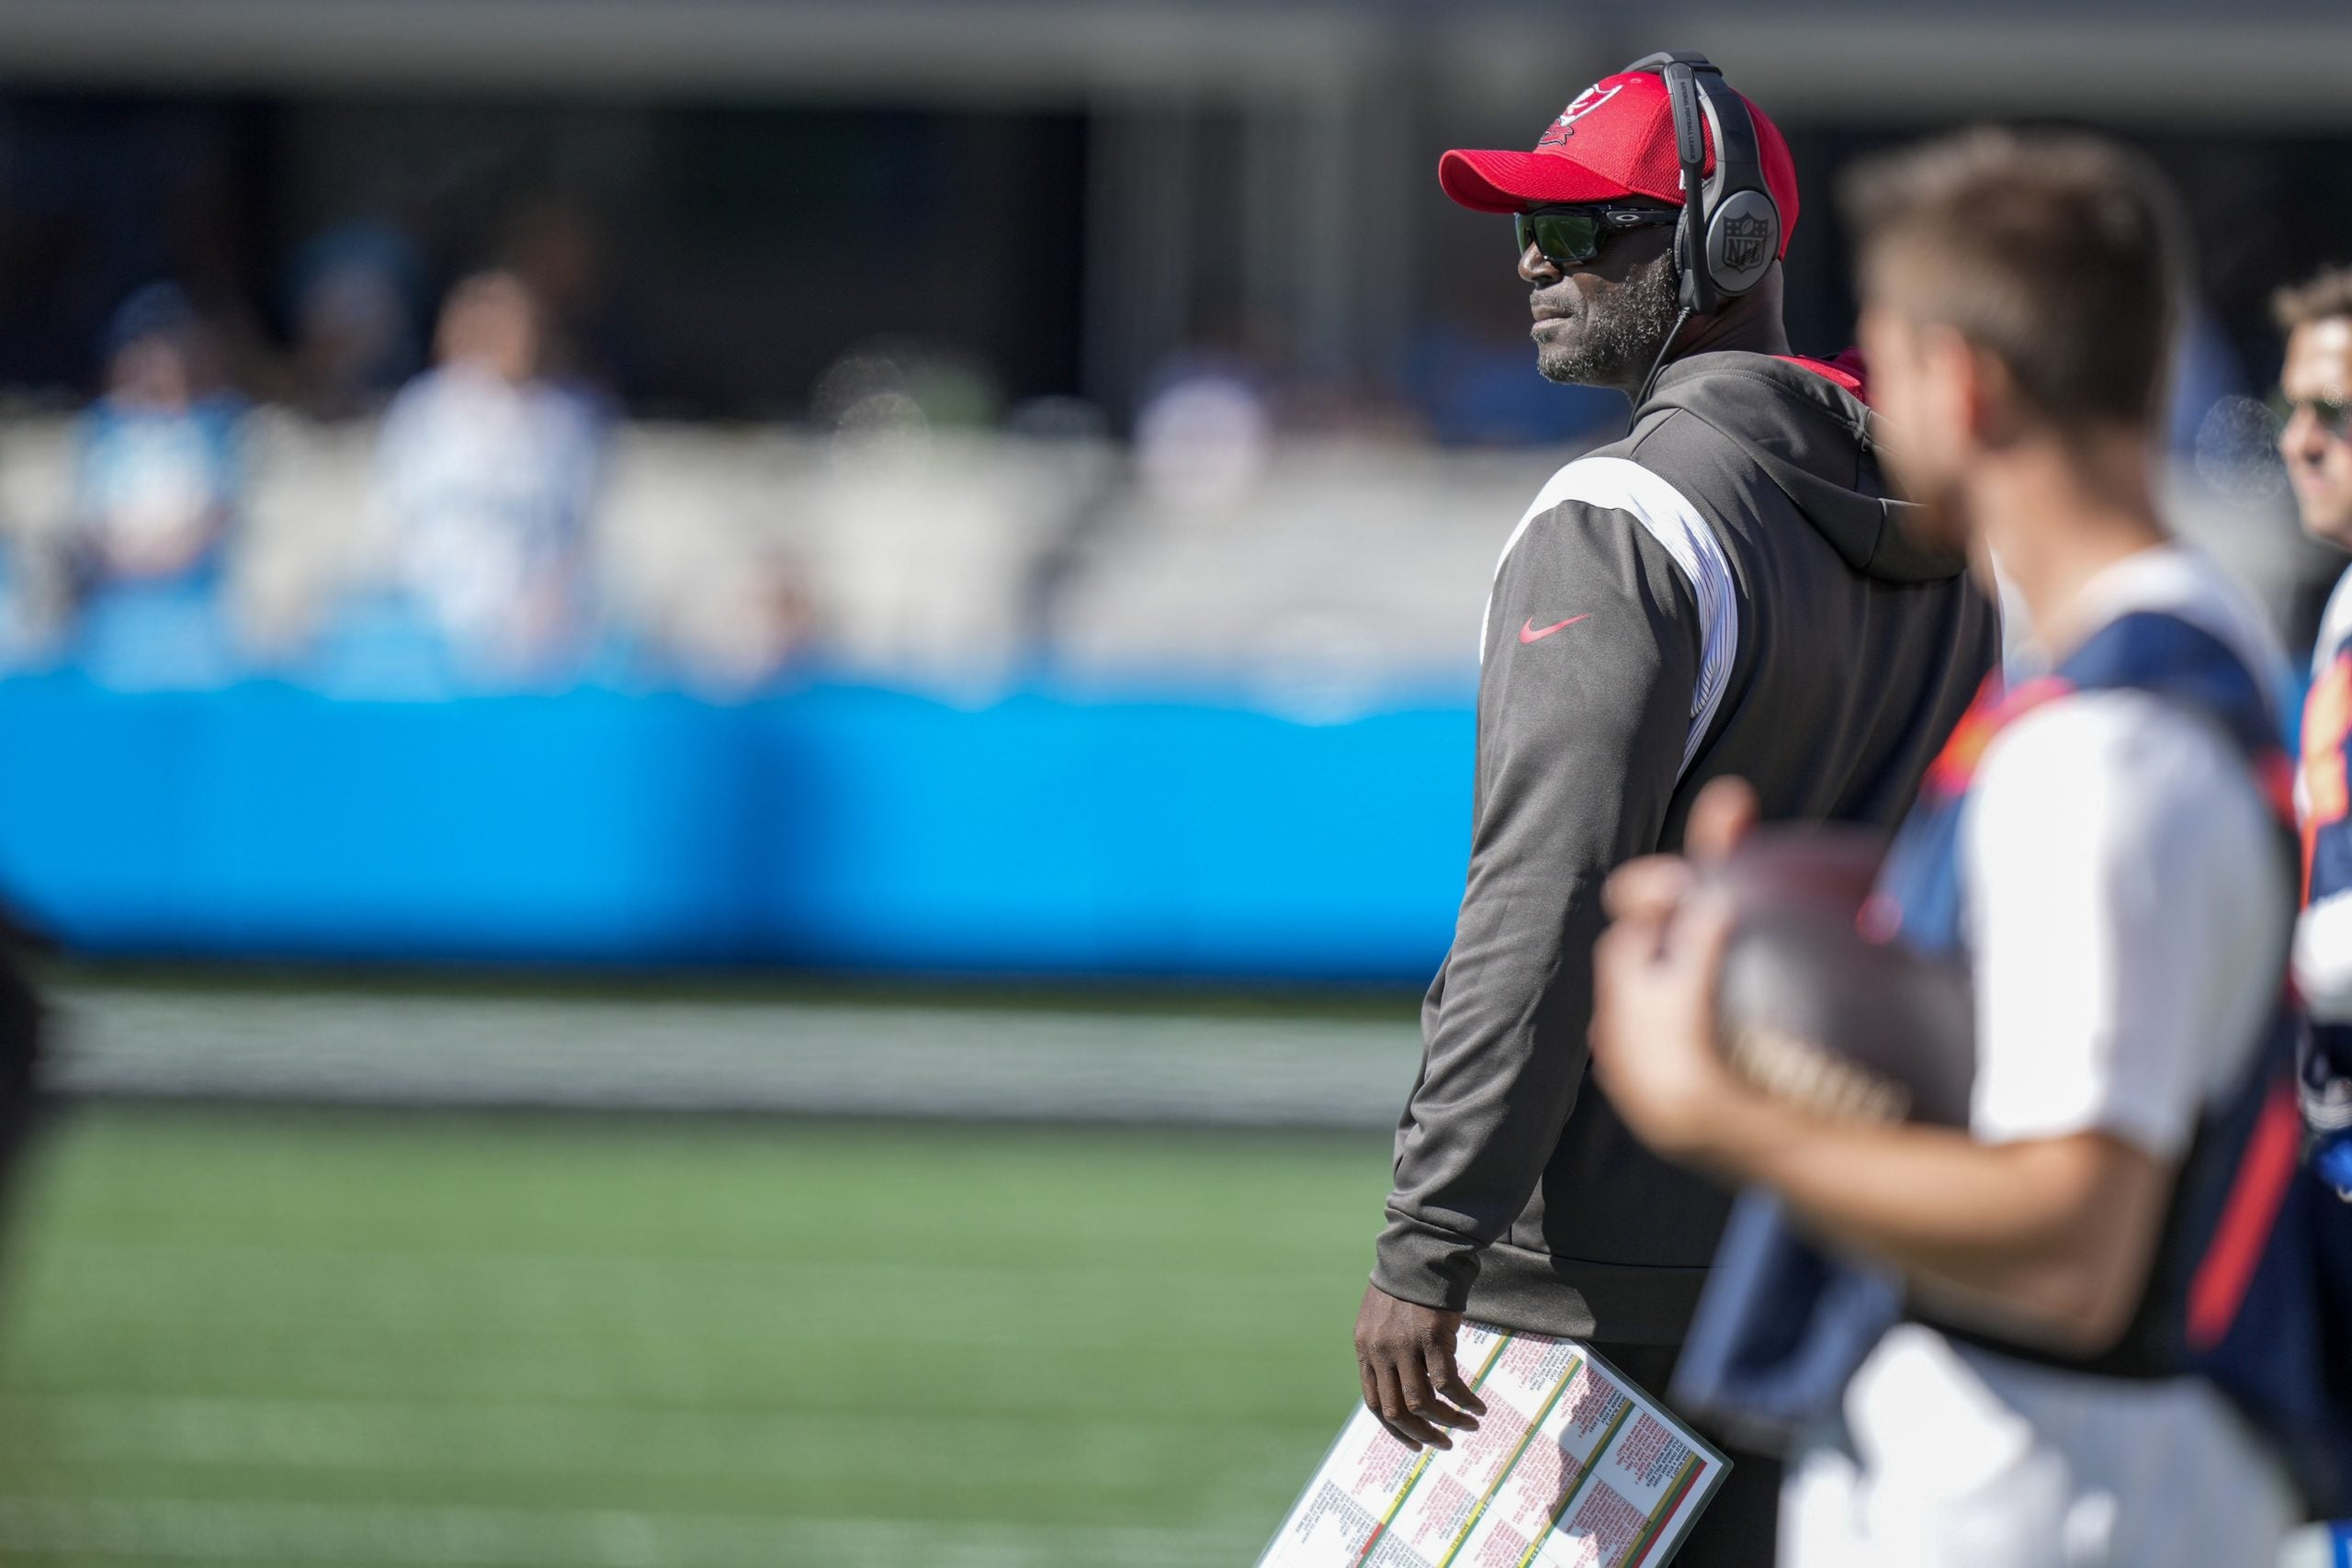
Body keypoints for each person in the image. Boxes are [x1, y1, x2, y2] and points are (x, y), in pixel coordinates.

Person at [1586, 128, 2305, 1564]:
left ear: (1954, 381)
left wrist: (1714, 1101)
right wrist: (1777, 926)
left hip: (2035, 1501)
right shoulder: (2161, 661)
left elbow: (2075, 1239)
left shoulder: (2105, 746)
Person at [1351, 52, 1997, 1563]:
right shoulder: (1959, 542)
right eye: (1530, 225)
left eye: (1584, 231)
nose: (1533, 260)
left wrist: (1434, 1235)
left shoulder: (1624, 516)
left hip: (1587, 1291)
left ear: (1732, 244)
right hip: (1828, 1251)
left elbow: (1543, 897)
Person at [374, 271, 601, 672]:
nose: (504, 341)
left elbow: (576, 531)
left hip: (539, 627)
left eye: (515, 328)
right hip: (432, 622)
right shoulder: (425, 412)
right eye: (488, 326)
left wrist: (551, 596)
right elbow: (397, 526)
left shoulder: (566, 419)